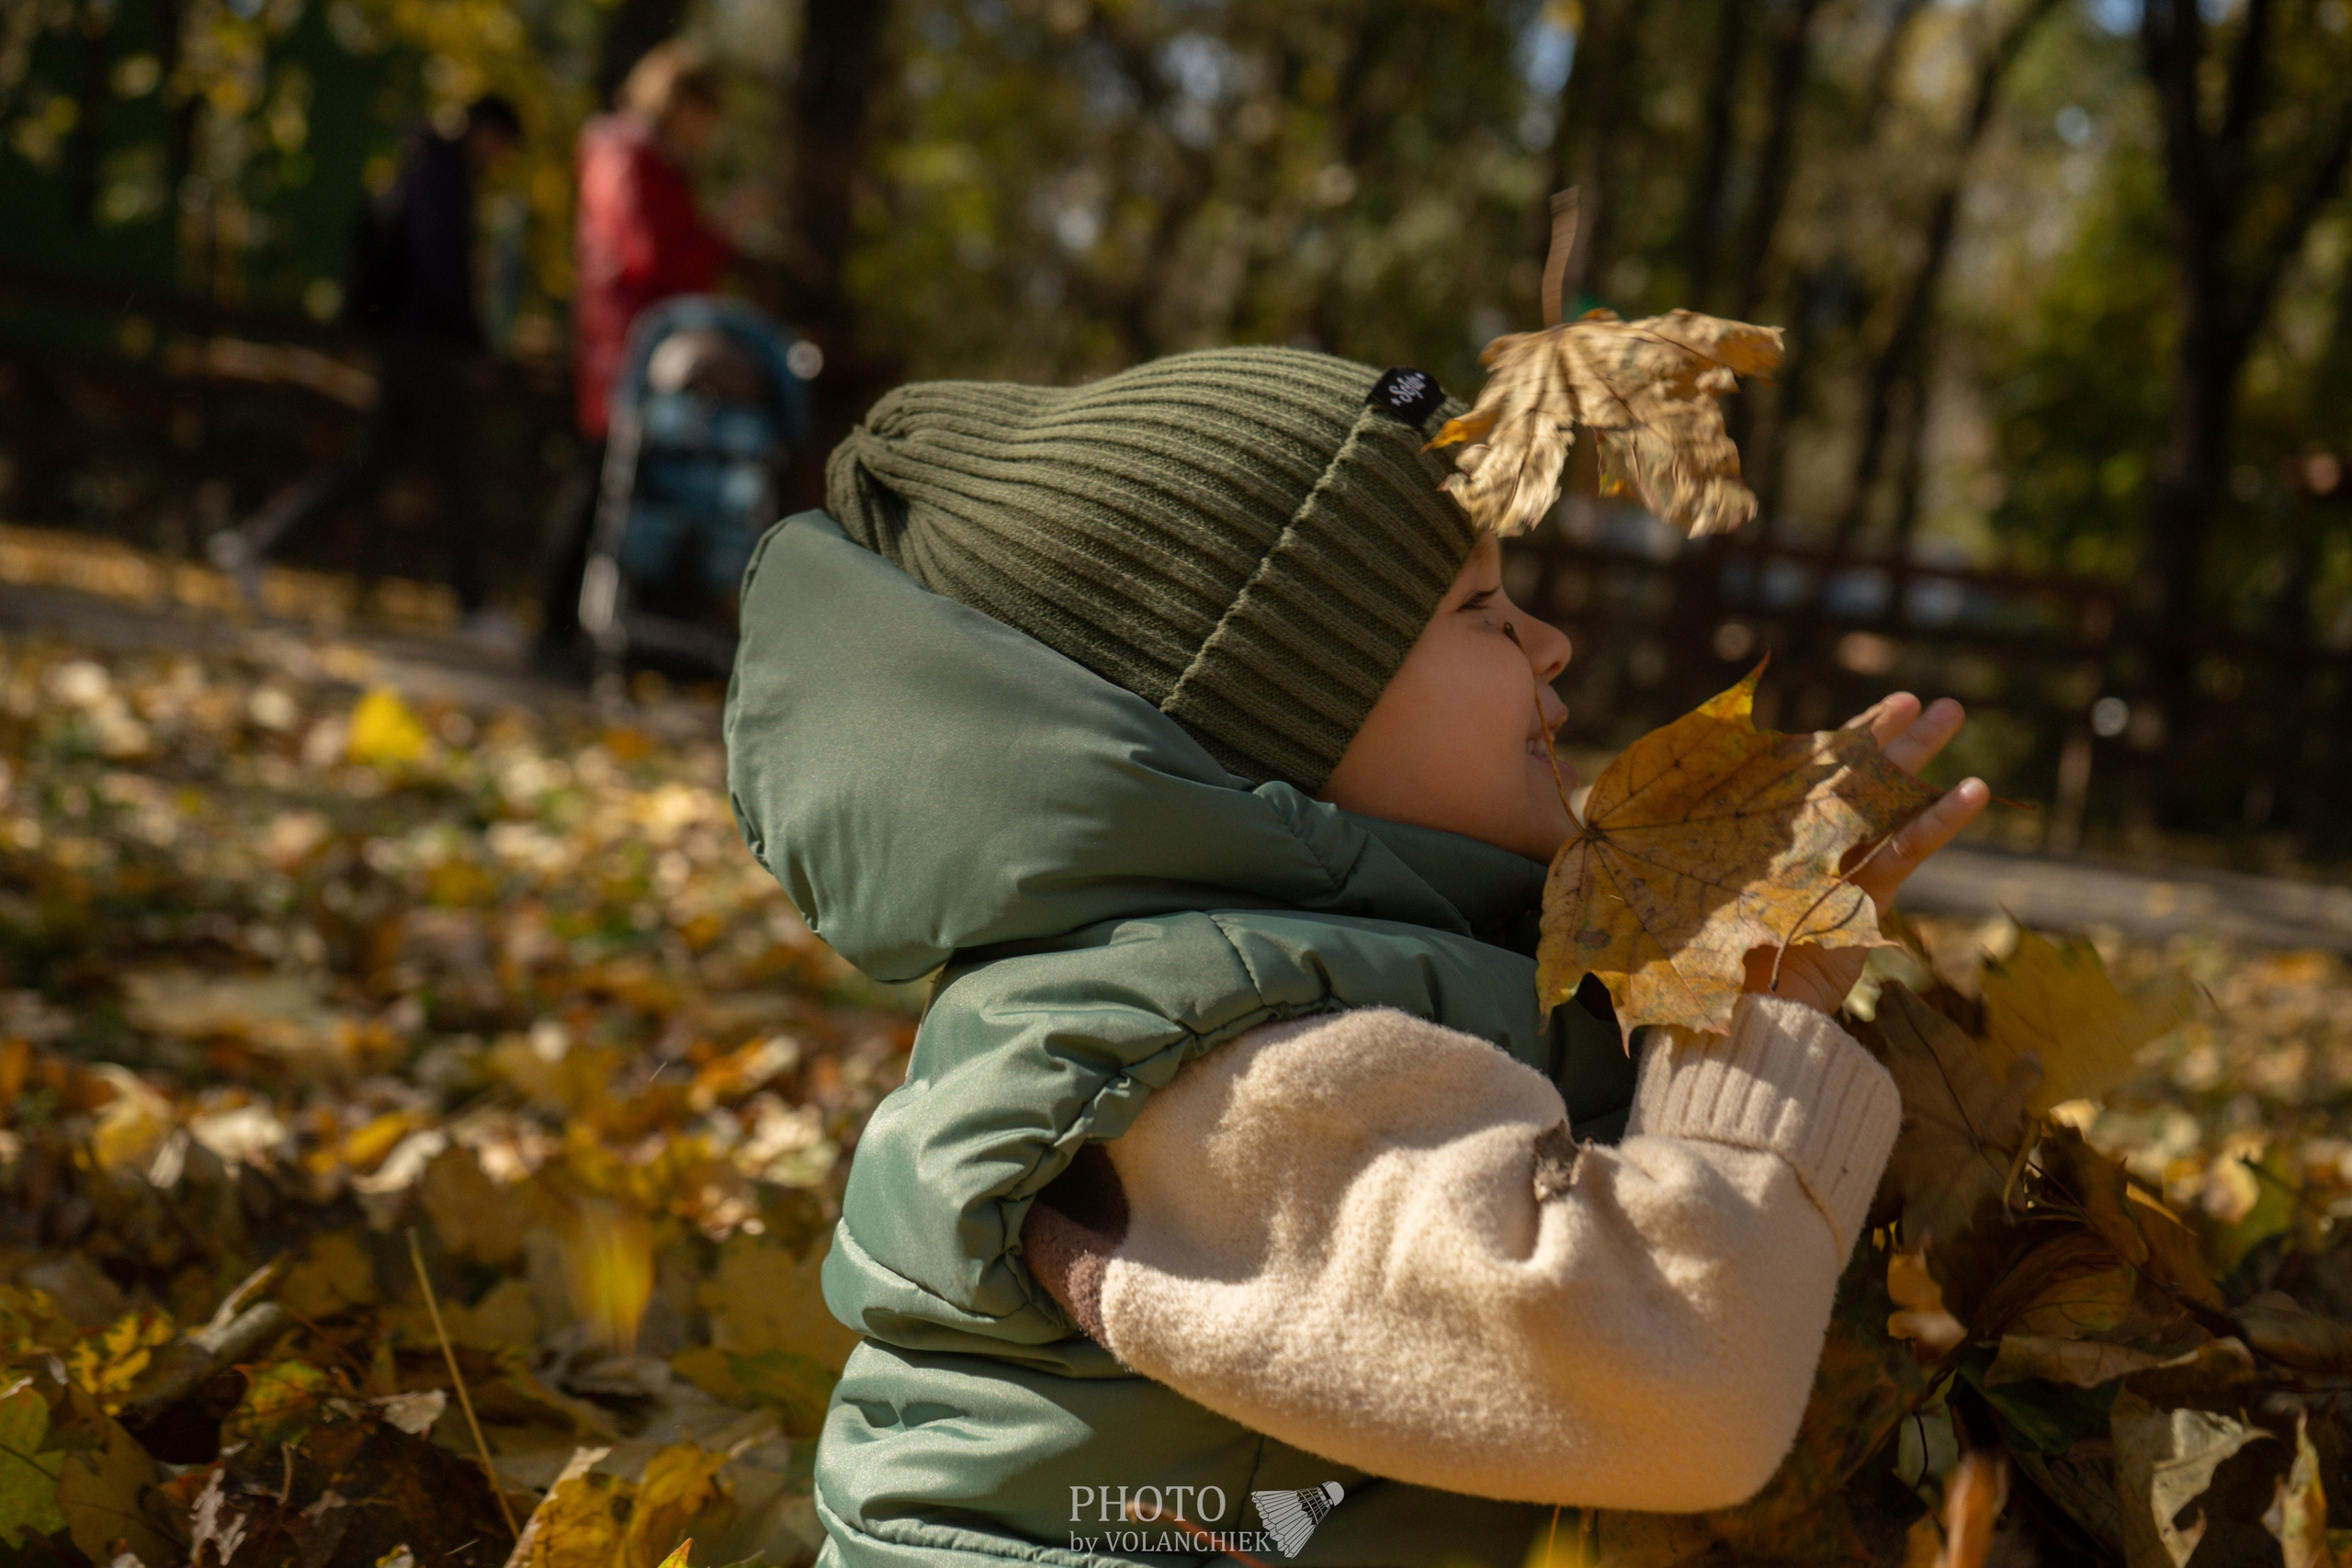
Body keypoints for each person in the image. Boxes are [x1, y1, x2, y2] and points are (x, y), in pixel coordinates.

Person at [723, 348, 1992, 1565]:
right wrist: (1754, 1033)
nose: (1549, 640)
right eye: (1480, 608)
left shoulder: (1309, 977)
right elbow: (1679, 1383)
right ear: (1281, 718)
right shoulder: (1218, 1066)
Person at [211, 96, 523, 632]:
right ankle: (474, 609)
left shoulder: (424, 166)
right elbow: (439, 271)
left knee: (378, 463)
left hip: (408, 340)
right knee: (462, 474)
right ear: (485, 132)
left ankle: (257, 543)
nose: (500, 157)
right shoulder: (443, 177)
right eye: (501, 143)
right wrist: (473, 340)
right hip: (430, 346)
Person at [534, 41, 733, 668]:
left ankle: (600, 634)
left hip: (653, 350)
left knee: (623, 487)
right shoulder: (623, 152)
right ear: (679, 102)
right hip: (622, 348)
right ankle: (553, 633)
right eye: (705, 114)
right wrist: (723, 231)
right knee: (600, 481)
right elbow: (648, 253)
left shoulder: (664, 163)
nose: (707, 131)